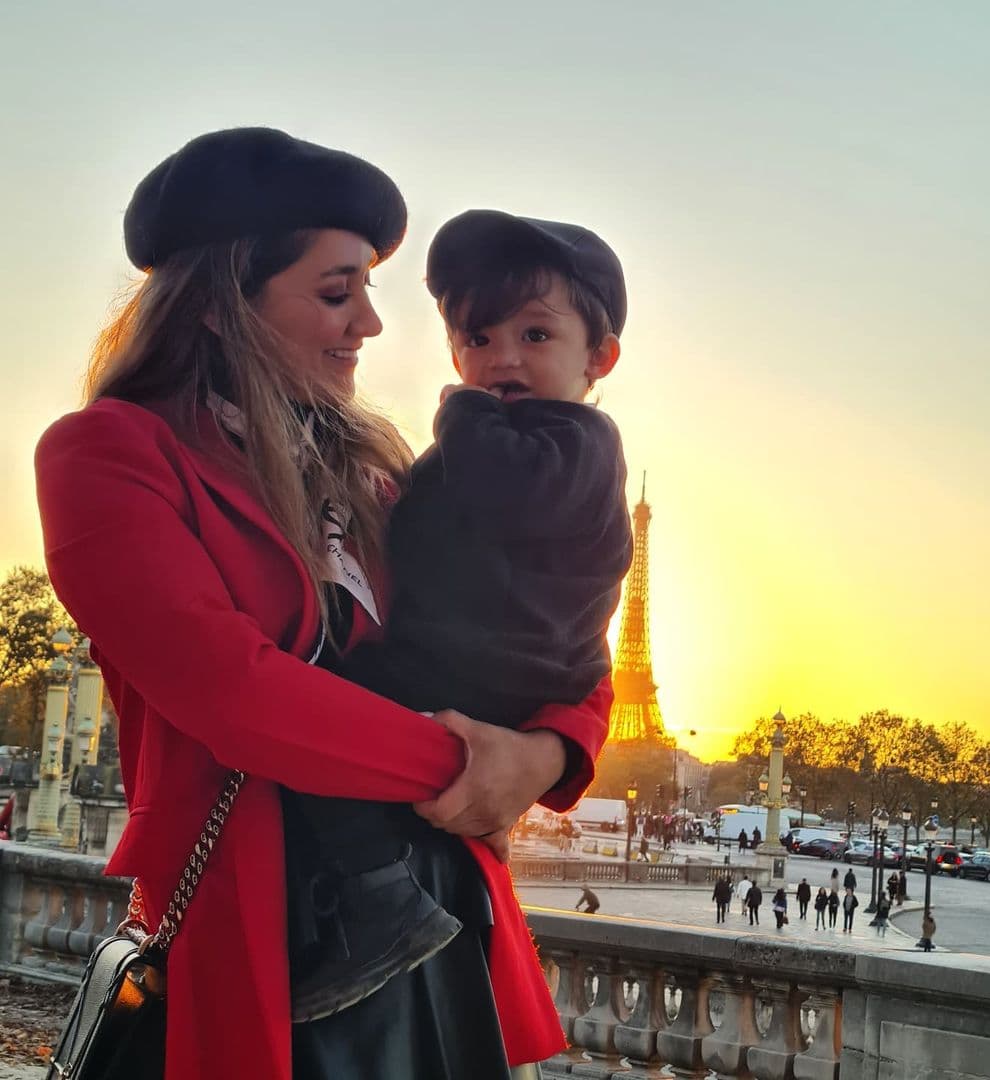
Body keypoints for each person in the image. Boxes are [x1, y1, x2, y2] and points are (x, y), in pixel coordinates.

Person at [35, 127, 614, 1080]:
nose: (372, 325)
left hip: (438, 912)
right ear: (221, 303)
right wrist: (466, 766)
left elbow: (548, 619)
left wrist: (544, 756)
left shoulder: (379, 472)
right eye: (338, 293)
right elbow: (234, 693)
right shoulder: (107, 456)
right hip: (265, 933)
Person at [300, 207, 632, 1013]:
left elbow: (582, 641)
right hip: (470, 678)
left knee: (337, 711)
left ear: (600, 357)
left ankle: (377, 895)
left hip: (474, 672)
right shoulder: (489, 448)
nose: (502, 358)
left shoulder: (568, 441)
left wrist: (538, 758)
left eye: (535, 335)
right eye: (478, 338)